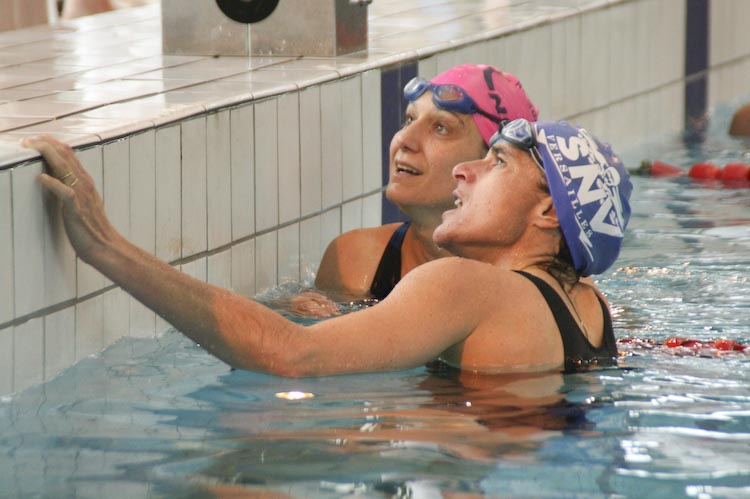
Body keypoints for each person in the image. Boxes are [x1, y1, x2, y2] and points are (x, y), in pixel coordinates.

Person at [25, 117, 632, 375]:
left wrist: (106, 246)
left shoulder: (467, 284)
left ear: (548, 211)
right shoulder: (589, 306)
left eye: (496, 162)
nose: (463, 170)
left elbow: (293, 354)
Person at [312, 64, 539, 303]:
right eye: (409, 119)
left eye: (441, 128)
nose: (404, 139)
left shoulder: (524, 290)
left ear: (493, 162)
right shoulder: (355, 261)